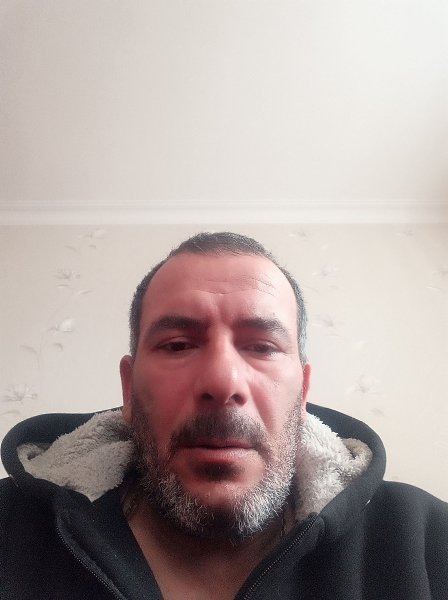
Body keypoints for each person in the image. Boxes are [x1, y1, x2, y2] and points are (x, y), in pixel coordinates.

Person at [1, 231, 447, 600]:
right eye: (178, 345)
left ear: (303, 392)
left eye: (262, 347)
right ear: (129, 389)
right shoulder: (10, 528)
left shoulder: (427, 540)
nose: (223, 380)